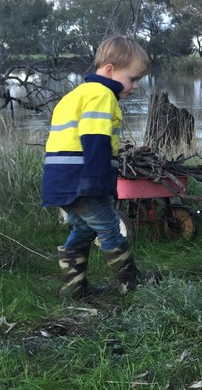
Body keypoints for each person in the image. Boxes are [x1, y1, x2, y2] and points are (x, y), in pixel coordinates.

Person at [42, 35, 159, 297]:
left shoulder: (78, 94)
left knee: (84, 228)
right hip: (83, 179)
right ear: (109, 70)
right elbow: (95, 140)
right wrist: (100, 184)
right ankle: (132, 285)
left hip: (62, 179)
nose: (136, 86)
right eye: (132, 79)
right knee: (108, 226)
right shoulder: (102, 95)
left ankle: (74, 288)